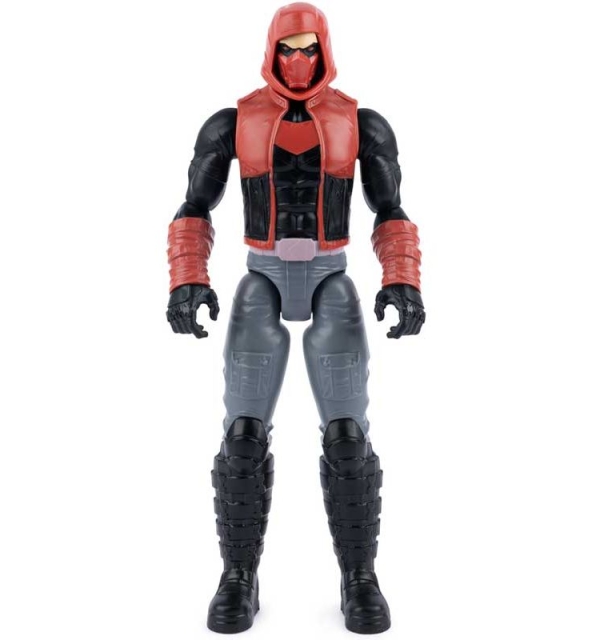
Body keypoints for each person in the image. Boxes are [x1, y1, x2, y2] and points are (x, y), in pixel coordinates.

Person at [166, 2, 425, 633]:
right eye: (289, 48)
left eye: (310, 48)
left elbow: (390, 209)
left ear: (325, 50)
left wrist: (402, 278)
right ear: (272, 51)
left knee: (348, 434)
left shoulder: (361, 123)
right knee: (243, 433)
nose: (299, 61)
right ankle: (238, 575)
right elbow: (194, 205)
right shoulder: (234, 121)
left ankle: (359, 577)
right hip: (262, 273)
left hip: (332, 274)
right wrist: (188, 277)